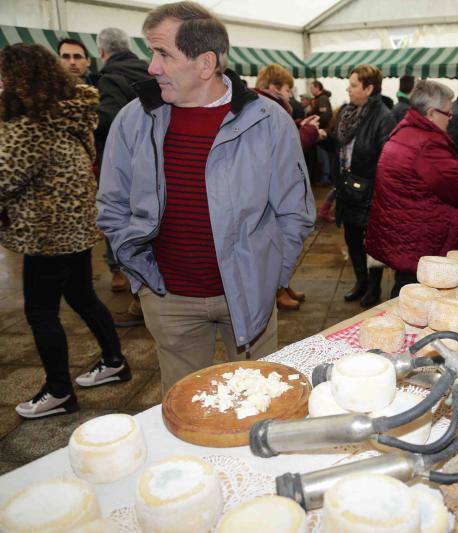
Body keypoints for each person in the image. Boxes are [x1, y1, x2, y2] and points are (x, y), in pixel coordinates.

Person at [96, 1, 315, 394]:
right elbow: (111, 203)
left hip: (251, 297)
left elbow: (294, 212)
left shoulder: (268, 121)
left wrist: (272, 278)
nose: (151, 67)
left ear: (205, 63)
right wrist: (141, 279)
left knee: (259, 403)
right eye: (152, 53)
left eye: (163, 53)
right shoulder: (134, 119)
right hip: (168, 299)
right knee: (182, 408)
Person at [0, 44, 131, 419]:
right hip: (74, 227)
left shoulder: (30, 122)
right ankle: (115, 361)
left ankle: (58, 390)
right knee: (83, 297)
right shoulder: (70, 112)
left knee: (41, 313)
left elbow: (5, 176)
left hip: (44, 232)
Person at [365, 80, 458, 297]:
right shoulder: (428, 144)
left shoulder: (404, 131)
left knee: (405, 290)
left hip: (403, 233)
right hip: (422, 239)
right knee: (417, 296)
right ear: (430, 113)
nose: (451, 118)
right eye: (448, 113)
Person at [254, 63, 322, 311]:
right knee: (279, 239)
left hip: (272, 188)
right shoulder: (265, 109)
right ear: (273, 88)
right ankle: (276, 289)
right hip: (272, 192)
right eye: (288, 89)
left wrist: (302, 125)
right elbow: (286, 151)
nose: (291, 94)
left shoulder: (265, 107)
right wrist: (310, 132)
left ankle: (282, 284)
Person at [93, 27, 153, 302]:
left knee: (120, 220)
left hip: (124, 166)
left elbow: (109, 120)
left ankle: (134, 282)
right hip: (155, 161)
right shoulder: (149, 70)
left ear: (102, 52)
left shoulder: (109, 79)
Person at [333, 64, 396, 307]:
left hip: (369, 194)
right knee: (352, 240)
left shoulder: (384, 118)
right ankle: (360, 282)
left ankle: (373, 287)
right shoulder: (347, 113)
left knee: (372, 244)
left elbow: (385, 162)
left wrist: (375, 193)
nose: (348, 89)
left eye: (353, 84)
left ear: (369, 88)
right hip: (347, 191)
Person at [310, 80, 333, 185]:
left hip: (322, 131)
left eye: (312, 88)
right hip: (320, 130)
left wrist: (318, 126)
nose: (310, 90)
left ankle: (325, 177)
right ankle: (324, 176)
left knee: (322, 154)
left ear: (317, 87)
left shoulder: (322, 99)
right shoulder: (319, 99)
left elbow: (325, 115)